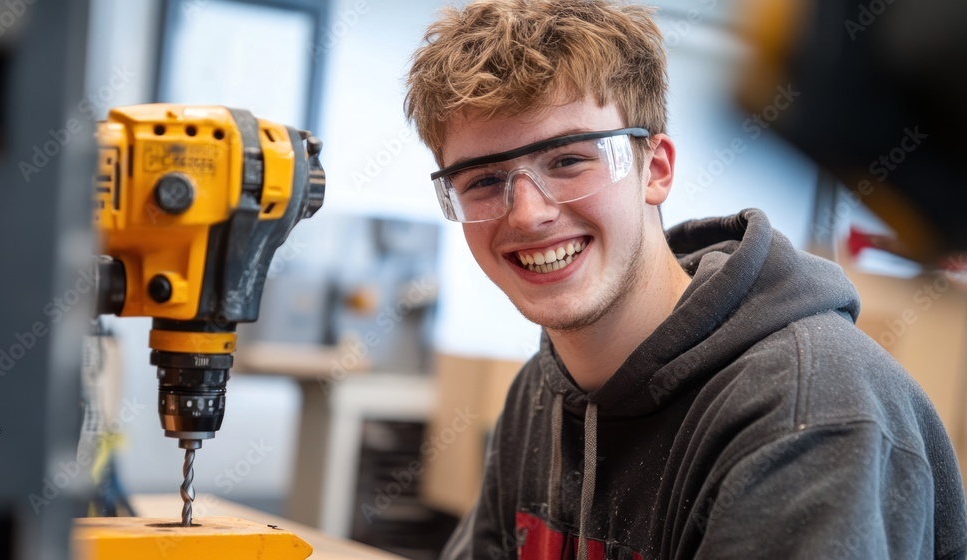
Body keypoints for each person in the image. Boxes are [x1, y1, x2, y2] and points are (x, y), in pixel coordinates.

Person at [404, 0, 967, 558]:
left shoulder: (807, 416)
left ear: (656, 169)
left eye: (569, 160)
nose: (527, 214)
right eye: (483, 180)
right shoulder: (542, 391)